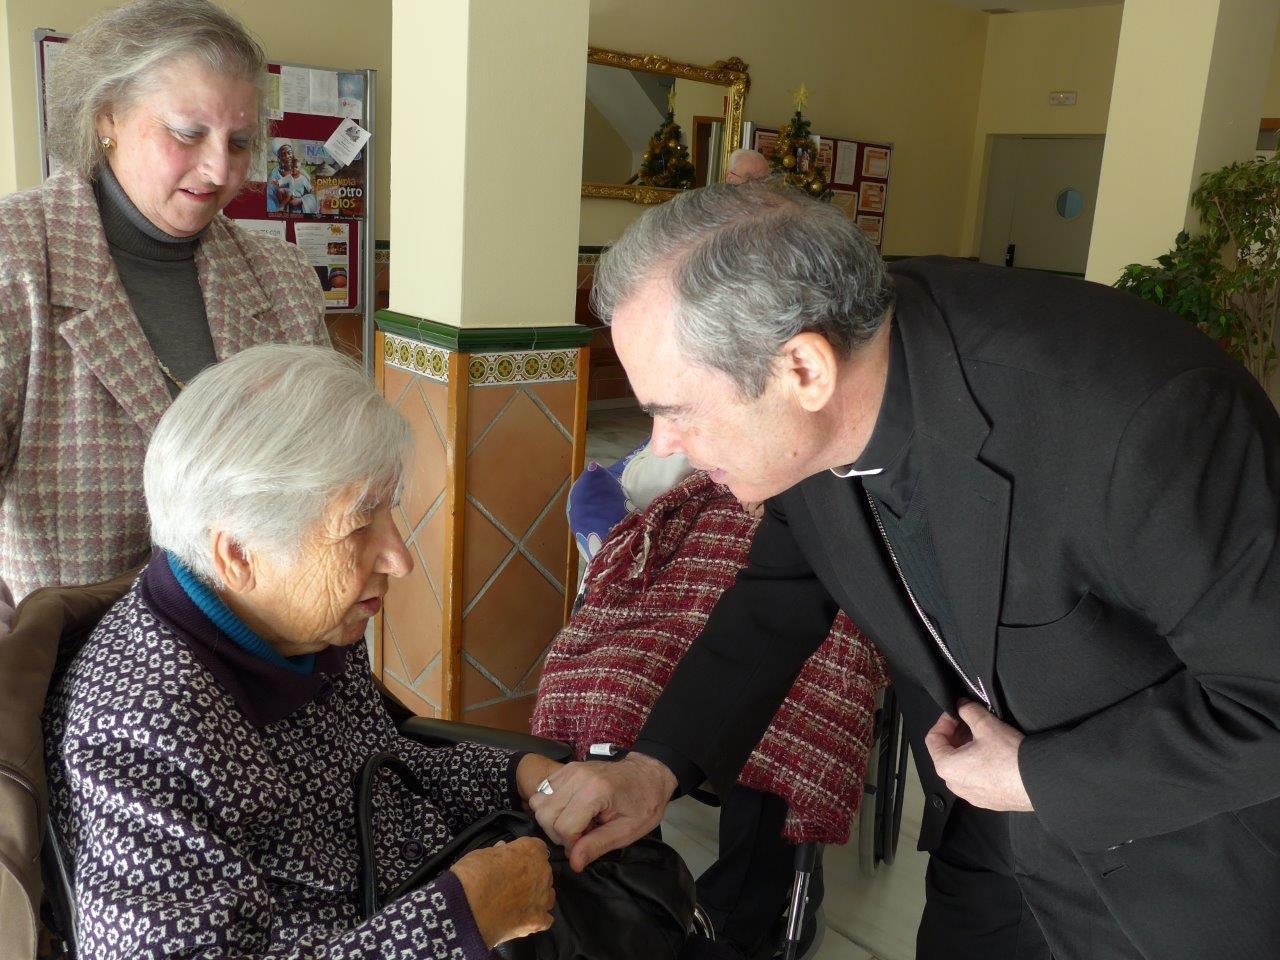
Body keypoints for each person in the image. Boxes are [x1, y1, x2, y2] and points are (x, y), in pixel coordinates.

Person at [529, 181, 1280, 960]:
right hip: (986, 845)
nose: (661, 448)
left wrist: (1036, 779)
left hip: (1181, 865)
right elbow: (779, 598)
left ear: (803, 370)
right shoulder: (816, 416)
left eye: (676, 410)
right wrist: (654, 769)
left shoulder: (1142, 422)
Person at [44, 344, 562, 959]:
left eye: (387, 510)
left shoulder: (298, 625)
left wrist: (519, 777)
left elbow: (375, 769)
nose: (399, 558)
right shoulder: (139, 732)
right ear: (236, 555)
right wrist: (457, 920)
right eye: (358, 524)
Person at [0, 0, 331, 625]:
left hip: (261, 650)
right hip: (80, 676)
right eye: (187, 134)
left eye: (238, 143)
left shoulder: (279, 276)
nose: (219, 169)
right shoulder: (17, 259)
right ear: (108, 118)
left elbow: (315, 475)